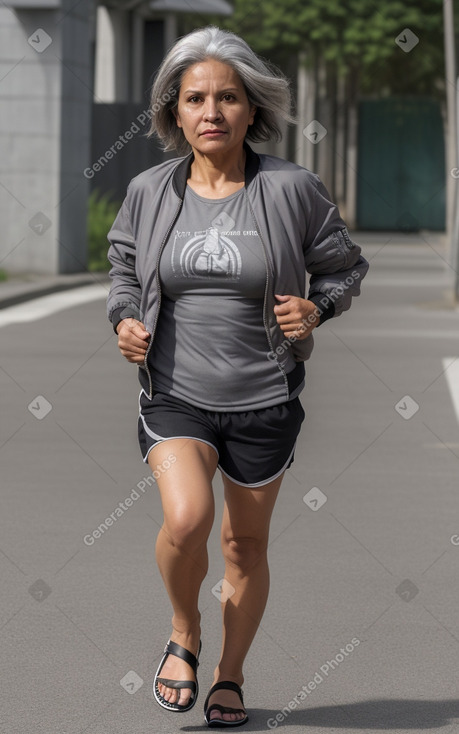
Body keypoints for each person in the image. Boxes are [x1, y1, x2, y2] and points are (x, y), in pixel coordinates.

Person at [106, 25, 368, 728]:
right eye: (195, 98)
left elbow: (345, 268)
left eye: (228, 97)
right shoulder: (148, 191)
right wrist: (125, 319)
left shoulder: (290, 189)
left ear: (252, 109)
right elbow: (125, 271)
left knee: (243, 546)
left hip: (264, 400)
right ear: (174, 111)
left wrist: (316, 308)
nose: (211, 111)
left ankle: (229, 675)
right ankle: (184, 631)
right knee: (188, 518)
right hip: (176, 396)